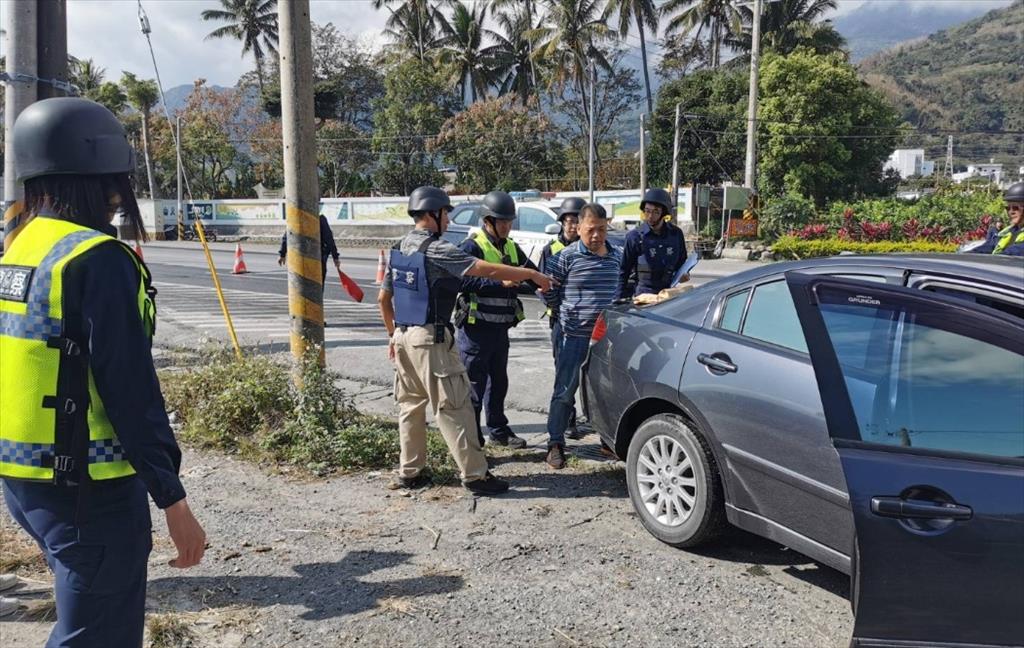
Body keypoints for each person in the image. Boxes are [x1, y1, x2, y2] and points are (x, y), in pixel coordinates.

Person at [0, 97, 206, 647]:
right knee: (97, 637)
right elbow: (130, 390)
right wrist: (173, 499)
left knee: (80, 624)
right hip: (89, 489)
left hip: (25, 481)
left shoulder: (22, 249)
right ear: (106, 177)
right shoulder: (98, 258)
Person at [377, 186, 554, 494]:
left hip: (403, 337)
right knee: (455, 407)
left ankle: (410, 472)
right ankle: (475, 476)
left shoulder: (399, 246)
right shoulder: (436, 248)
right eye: (446, 213)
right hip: (430, 338)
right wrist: (530, 274)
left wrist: (393, 335)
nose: (448, 219)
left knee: (410, 408)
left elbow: (383, 299)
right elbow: (480, 268)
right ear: (434, 214)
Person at [454, 191, 539, 449]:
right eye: (502, 222)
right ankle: (472, 437)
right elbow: (459, 278)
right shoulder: (473, 246)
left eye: (510, 222)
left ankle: (498, 430)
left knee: (498, 382)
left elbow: (529, 272)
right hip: (475, 330)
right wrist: (498, 282)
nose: (507, 227)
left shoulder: (511, 246)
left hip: (500, 328)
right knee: (474, 387)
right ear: (488, 221)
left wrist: (539, 281)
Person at [542, 203, 622, 469]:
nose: (596, 235)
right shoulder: (566, 256)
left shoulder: (616, 257)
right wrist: (565, 312)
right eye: (591, 230)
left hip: (605, 339)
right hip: (573, 336)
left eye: (601, 229)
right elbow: (547, 289)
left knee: (604, 392)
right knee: (565, 390)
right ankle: (555, 443)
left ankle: (607, 442)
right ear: (579, 228)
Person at [539, 196, 584, 440]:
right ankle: (568, 420)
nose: (572, 226)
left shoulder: (590, 250)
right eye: (568, 221)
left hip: (585, 321)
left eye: (576, 221)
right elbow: (542, 286)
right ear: (562, 223)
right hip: (559, 320)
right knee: (563, 372)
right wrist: (557, 305)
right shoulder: (551, 250)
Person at [618, 188, 690, 298]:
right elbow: (624, 272)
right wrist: (618, 299)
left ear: (664, 213)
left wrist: (685, 274)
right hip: (644, 298)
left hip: (669, 295)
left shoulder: (676, 234)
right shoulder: (634, 237)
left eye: (656, 211)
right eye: (647, 211)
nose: (650, 216)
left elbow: (682, 264)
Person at [278, 214, 342, 283]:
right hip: (318, 258)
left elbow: (287, 236)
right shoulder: (320, 219)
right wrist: (335, 257)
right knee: (317, 284)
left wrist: (282, 254)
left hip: (300, 259)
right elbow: (329, 239)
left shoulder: (295, 217)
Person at [973, 182, 1024, 256]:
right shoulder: (1008, 232)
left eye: (1015, 208)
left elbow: (1015, 251)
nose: (1011, 212)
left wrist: (996, 259)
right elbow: (988, 247)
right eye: (1008, 208)